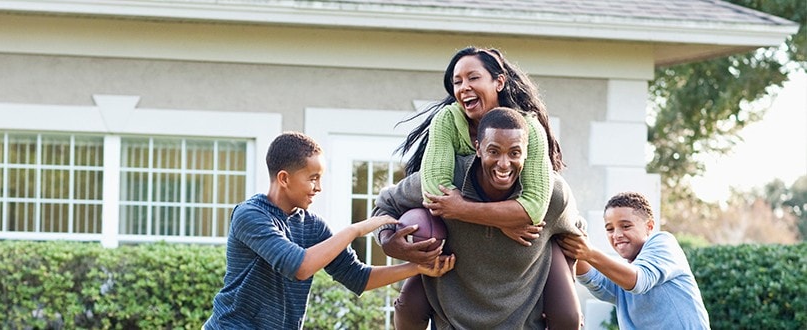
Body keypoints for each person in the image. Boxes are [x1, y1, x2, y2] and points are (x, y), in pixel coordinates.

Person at [388, 46, 580, 329]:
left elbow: (534, 208)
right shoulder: (448, 121)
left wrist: (468, 209)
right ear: (478, 147)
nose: (464, 87)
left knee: (568, 313)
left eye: (473, 78)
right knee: (407, 304)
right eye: (457, 81)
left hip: (531, 243)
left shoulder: (525, 127)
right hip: (458, 242)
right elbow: (435, 191)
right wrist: (500, 220)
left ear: (499, 82)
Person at [202, 132, 454, 329]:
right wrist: (356, 230)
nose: (318, 187)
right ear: (284, 178)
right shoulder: (250, 215)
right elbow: (299, 267)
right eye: (312, 178)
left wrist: (417, 268)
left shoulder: (313, 226)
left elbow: (358, 277)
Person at [558, 192, 711, 329]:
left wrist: (590, 253)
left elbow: (639, 280)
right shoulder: (624, 273)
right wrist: (570, 246)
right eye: (610, 229)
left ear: (649, 226)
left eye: (625, 226)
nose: (616, 234)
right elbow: (597, 282)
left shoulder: (663, 243)